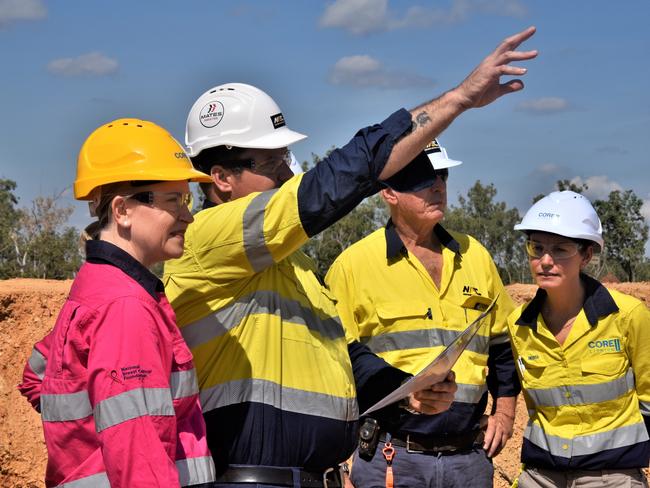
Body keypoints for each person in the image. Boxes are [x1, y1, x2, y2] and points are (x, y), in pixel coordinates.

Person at [163, 27, 537, 487]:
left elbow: (346, 357)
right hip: (248, 478)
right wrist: (456, 100)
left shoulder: (294, 268)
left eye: (286, 159)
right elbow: (333, 183)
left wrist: (406, 391)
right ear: (220, 177)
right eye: (273, 163)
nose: (288, 173)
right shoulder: (206, 239)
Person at [18, 119, 217, 488]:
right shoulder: (125, 306)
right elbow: (139, 452)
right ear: (123, 210)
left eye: (187, 200)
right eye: (174, 200)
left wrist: (85, 441)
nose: (188, 216)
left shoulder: (97, 287)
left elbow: (38, 377)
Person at [325, 140, 519, 488]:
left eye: (442, 175)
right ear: (388, 193)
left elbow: (503, 346)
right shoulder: (353, 266)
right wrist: (404, 395)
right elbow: (340, 360)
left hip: (468, 461)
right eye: (421, 178)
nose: (438, 185)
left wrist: (505, 413)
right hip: (392, 457)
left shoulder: (476, 256)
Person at [507, 191, 650, 488]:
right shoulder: (518, 325)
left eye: (560, 249)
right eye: (536, 248)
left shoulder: (627, 316)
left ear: (586, 255)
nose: (545, 261)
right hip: (540, 476)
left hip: (612, 477)